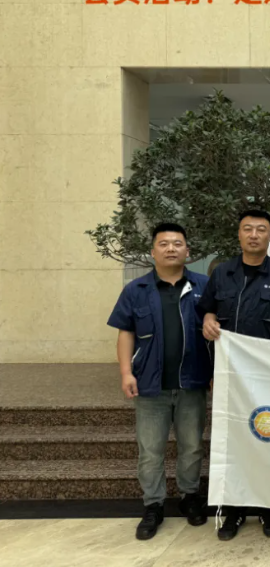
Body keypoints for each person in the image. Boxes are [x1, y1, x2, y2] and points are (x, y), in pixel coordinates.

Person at [107, 223, 212, 541]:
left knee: (192, 447)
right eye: (164, 244)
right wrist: (126, 372)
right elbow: (126, 333)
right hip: (150, 386)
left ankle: (189, 496)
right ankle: (153, 504)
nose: (171, 248)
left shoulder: (203, 287)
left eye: (177, 243)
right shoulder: (136, 290)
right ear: (153, 251)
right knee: (151, 450)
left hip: (192, 383)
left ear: (187, 251)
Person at [199, 209, 270, 541]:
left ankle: (268, 507)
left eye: (261, 229)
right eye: (247, 229)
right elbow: (208, 311)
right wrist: (208, 320)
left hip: (269, 376)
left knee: (268, 437)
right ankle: (235, 509)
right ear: (239, 234)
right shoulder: (221, 273)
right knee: (233, 441)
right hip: (230, 375)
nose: (254, 235)